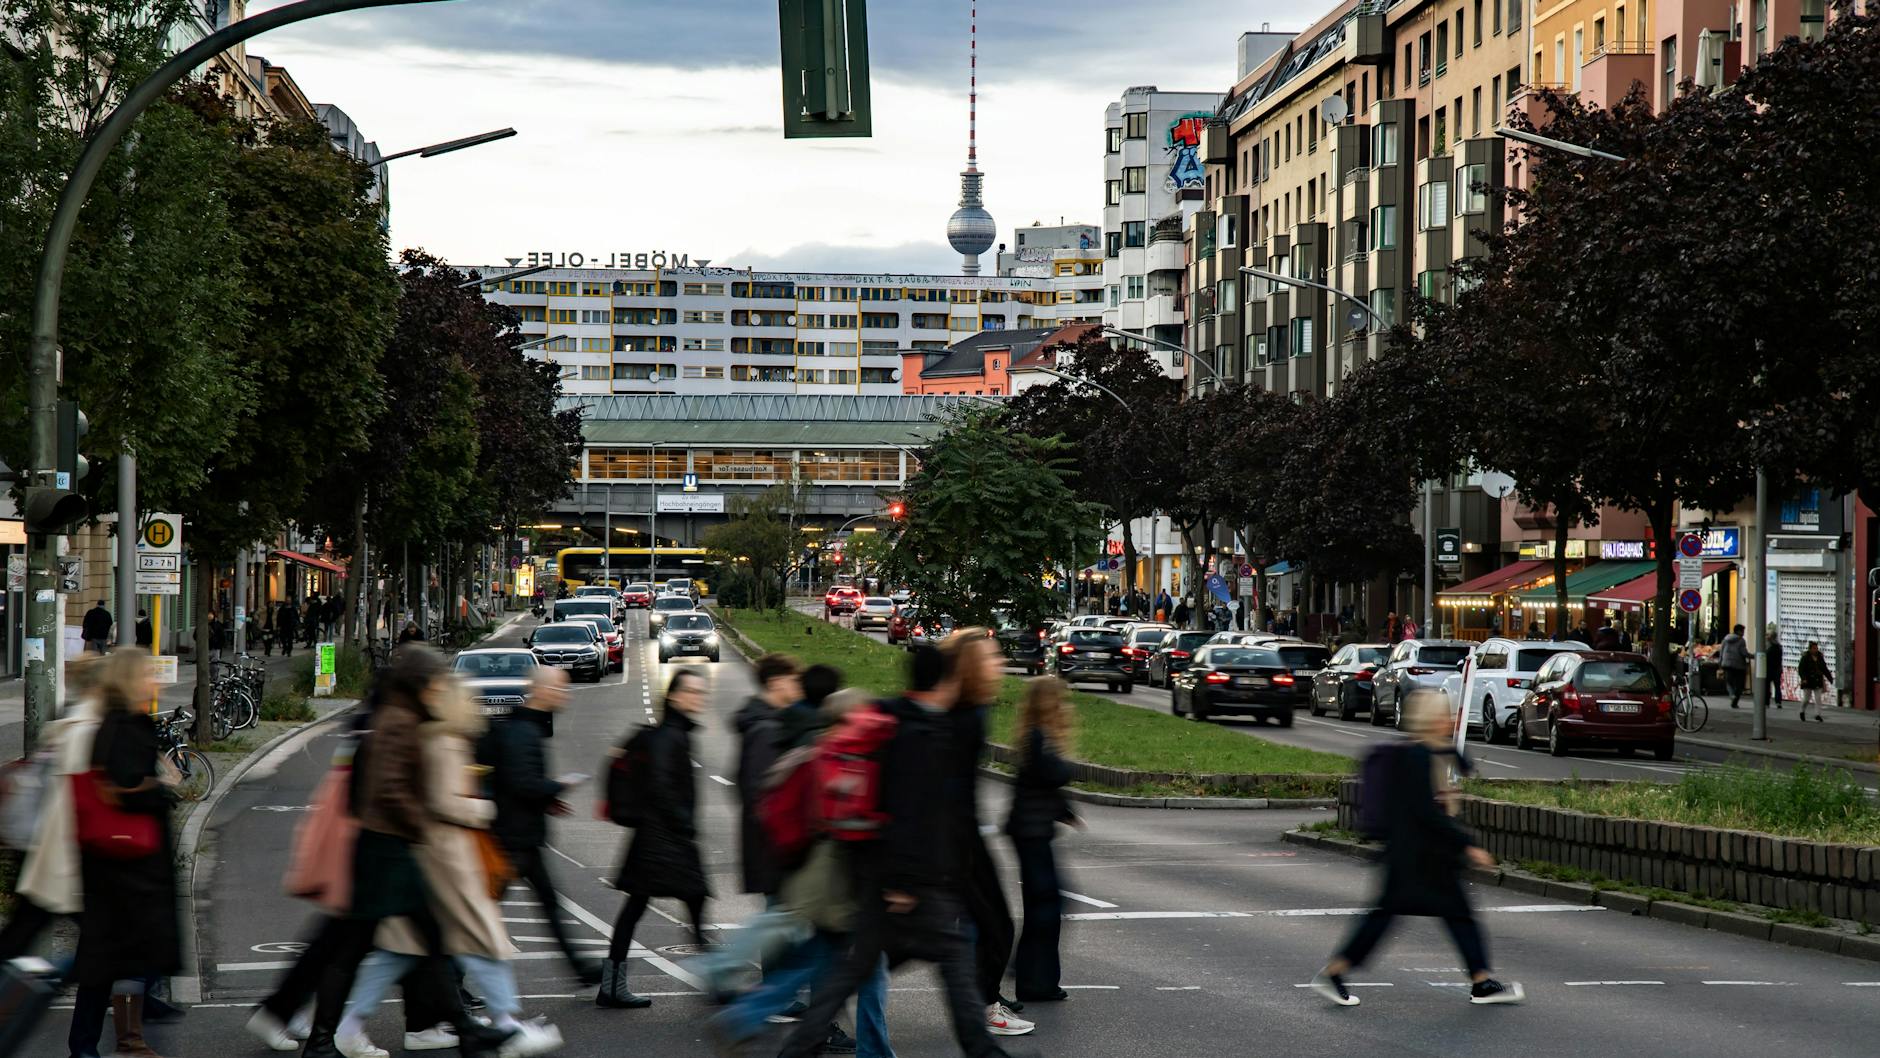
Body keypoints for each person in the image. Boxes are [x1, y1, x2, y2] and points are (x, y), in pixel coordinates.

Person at [775, 644, 1016, 1058]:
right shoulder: (922, 735)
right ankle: (984, 1051)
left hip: (883, 881)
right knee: (953, 970)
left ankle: (795, 1049)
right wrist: (903, 884)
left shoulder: (893, 716)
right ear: (945, 681)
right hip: (913, 888)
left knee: (850, 974)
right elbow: (906, 811)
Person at [331, 667, 562, 1058]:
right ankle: (507, 1026)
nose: (476, 707)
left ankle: (349, 1026)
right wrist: (486, 808)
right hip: (449, 860)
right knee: (482, 942)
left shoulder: (435, 737)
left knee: (401, 950)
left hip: (436, 857)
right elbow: (443, 801)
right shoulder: (446, 743)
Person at [293, 645, 509, 1058]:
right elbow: (390, 789)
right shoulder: (397, 721)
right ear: (420, 685)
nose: (438, 691)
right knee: (383, 947)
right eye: (434, 683)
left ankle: (462, 1030)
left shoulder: (396, 715)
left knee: (397, 946)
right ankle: (324, 1040)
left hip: (383, 847)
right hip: (386, 849)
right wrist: (420, 823)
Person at [1310, 690, 1523, 1009]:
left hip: (1417, 855)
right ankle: (1335, 972)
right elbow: (1426, 812)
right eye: (1444, 715)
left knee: (1448, 914)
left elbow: (1459, 766)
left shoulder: (1424, 752)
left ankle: (1481, 981)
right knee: (1403, 916)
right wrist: (1467, 844)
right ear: (1433, 720)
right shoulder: (1418, 758)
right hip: (1418, 857)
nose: (1450, 720)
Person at [68, 648, 181, 1058]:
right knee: (118, 959)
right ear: (131, 680)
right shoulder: (128, 726)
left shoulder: (111, 725)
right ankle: (122, 1040)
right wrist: (162, 787)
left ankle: (99, 1042)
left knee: (106, 961)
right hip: (130, 867)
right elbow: (127, 789)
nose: (157, 681)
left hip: (113, 864)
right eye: (149, 675)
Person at [480, 665, 601, 982]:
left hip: (523, 836)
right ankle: (452, 984)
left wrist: (549, 800)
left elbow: (517, 780)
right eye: (560, 688)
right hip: (513, 838)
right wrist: (559, 786)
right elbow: (523, 783)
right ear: (542, 690)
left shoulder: (527, 726)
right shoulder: (524, 732)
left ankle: (581, 968)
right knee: (483, 914)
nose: (566, 694)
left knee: (548, 904)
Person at [599, 669, 710, 1010]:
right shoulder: (670, 736)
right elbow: (661, 786)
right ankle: (716, 980)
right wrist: (684, 823)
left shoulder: (675, 733)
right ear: (674, 696)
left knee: (649, 905)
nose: (698, 697)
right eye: (691, 691)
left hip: (657, 837)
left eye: (701, 692)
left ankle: (611, 985)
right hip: (664, 839)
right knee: (691, 898)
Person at [944, 630, 1030, 1037]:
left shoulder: (969, 710)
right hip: (955, 841)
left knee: (983, 926)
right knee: (993, 926)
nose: (999, 665)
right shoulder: (964, 717)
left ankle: (984, 1003)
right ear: (972, 667)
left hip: (961, 836)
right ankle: (983, 1007)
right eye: (991, 658)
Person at [1006, 677, 1077, 1003]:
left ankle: (1032, 972)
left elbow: (1044, 784)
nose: (1066, 705)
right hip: (1031, 830)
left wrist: (1065, 811)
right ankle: (1035, 979)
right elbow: (1052, 775)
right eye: (1060, 699)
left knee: (1045, 904)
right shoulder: (1039, 736)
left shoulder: (1036, 735)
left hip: (1032, 829)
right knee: (1046, 905)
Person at [1718, 624, 1749, 708]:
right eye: (1742, 631)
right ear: (1739, 631)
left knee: (1729, 681)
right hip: (1739, 665)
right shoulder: (1741, 640)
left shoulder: (1726, 639)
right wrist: (1752, 656)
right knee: (1739, 684)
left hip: (1727, 664)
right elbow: (1744, 653)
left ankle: (1732, 695)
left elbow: (1721, 651)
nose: (1743, 633)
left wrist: (1720, 662)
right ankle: (1735, 700)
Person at [1766, 629, 1785, 710]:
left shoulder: (1768, 646)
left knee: (1767, 686)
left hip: (1768, 669)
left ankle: (1767, 702)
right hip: (1777, 669)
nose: (1766, 636)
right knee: (1777, 686)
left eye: (1768, 635)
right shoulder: (1779, 646)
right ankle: (1778, 702)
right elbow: (1780, 659)